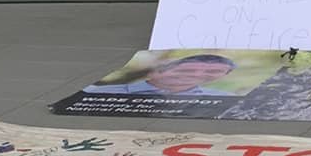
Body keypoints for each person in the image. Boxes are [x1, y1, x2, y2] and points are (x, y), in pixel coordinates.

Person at [93, 52, 239, 96]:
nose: (196, 75)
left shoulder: (226, 97)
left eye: (214, 71)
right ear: (158, 71)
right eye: (186, 70)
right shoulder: (97, 92)